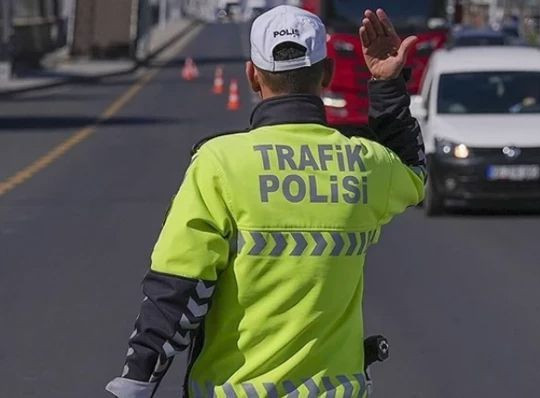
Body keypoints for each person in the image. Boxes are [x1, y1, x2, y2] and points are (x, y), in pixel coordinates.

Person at [105, 6, 425, 397]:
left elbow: (178, 287)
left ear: (253, 76)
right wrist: (387, 84)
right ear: (327, 75)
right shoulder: (363, 162)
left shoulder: (220, 163)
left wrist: (137, 380)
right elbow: (414, 171)